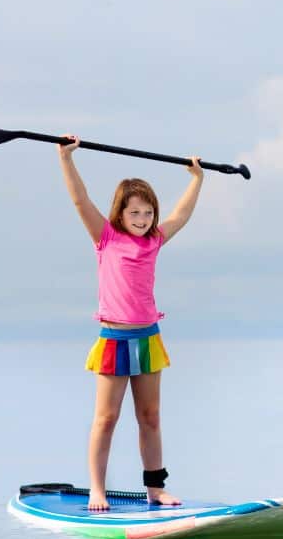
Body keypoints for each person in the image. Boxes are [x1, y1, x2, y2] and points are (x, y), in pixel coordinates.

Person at [58, 135, 203, 511]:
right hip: (114, 340)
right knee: (106, 419)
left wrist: (196, 179)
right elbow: (79, 200)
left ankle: (156, 488)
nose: (142, 220)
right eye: (134, 213)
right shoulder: (105, 237)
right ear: (119, 214)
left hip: (147, 339)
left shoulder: (154, 240)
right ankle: (97, 489)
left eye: (148, 213)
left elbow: (182, 215)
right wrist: (66, 158)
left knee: (150, 417)